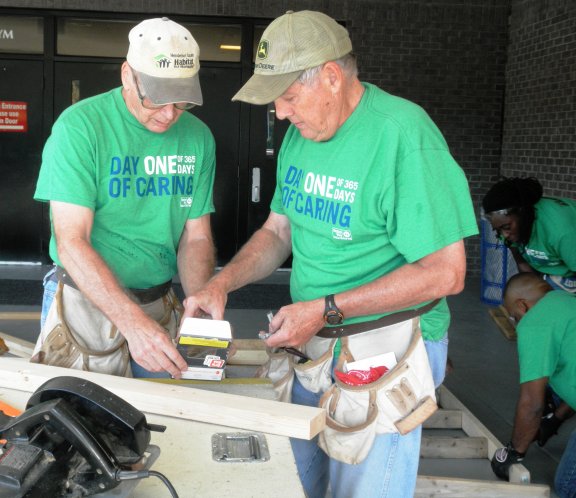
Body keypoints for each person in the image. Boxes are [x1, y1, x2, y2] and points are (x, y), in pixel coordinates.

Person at [184, 10, 478, 498]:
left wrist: (326, 309)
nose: (280, 113)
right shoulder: (302, 134)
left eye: (289, 97)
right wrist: (220, 283)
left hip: (386, 350)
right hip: (313, 340)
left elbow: (446, 273)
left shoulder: (403, 137)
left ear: (332, 77)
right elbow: (279, 230)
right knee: (290, 480)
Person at [31, 17, 216, 379]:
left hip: (158, 300)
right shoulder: (80, 128)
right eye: (157, 99)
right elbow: (71, 241)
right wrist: (131, 322)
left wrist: (200, 307)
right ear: (126, 75)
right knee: (77, 424)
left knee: (164, 423)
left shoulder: (198, 138)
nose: (168, 115)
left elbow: (197, 237)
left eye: (182, 104)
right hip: (83, 299)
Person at [491, 272, 576, 498]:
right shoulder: (566, 301)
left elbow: (532, 403)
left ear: (523, 305)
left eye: (514, 317)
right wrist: (557, 417)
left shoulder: (534, 322)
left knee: (568, 485)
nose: (517, 323)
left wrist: (514, 453)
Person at [482, 176, 576, 293]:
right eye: (498, 230)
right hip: (552, 274)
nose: (504, 235)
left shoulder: (561, 231)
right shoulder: (507, 228)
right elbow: (522, 262)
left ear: (523, 213)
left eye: (506, 227)